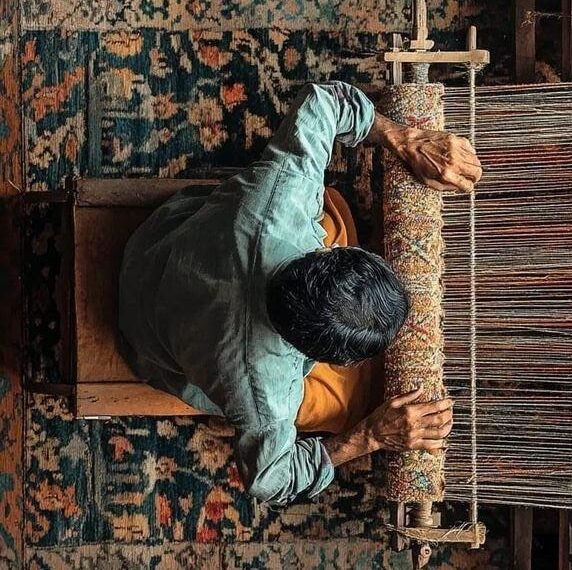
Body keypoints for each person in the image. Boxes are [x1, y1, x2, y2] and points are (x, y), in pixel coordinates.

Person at [118, 81, 482, 505]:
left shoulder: (282, 198)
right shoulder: (264, 391)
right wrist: (368, 435)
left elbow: (322, 102)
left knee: (330, 210)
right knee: (347, 403)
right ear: (321, 357)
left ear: (330, 256)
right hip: (148, 343)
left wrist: (407, 139)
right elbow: (268, 481)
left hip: (156, 244)